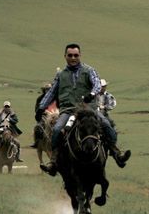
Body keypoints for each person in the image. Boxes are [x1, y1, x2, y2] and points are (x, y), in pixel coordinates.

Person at [36, 43, 131, 176]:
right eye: (70, 55)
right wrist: (41, 108)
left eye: (76, 55)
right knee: (57, 129)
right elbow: (52, 92)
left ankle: (116, 153)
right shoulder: (61, 75)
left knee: (106, 125)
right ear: (65, 56)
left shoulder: (89, 70)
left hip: (88, 110)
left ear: (80, 55)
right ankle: (54, 162)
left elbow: (97, 84)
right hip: (68, 111)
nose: (73, 58)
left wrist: (92, 94)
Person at [30, 82, 52, 149]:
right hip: (43, 116)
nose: (47, 91)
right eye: (46, 89)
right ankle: (36, 142)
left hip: (54, 115)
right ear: (44, 90)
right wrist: (42, 112)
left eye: (49, 89)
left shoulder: (55, 98)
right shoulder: (39, 98)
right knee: (37, 127)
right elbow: (37, 109)